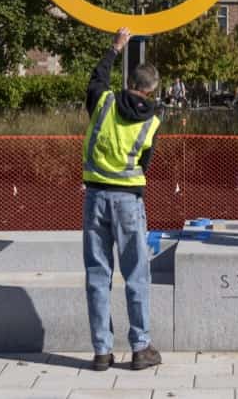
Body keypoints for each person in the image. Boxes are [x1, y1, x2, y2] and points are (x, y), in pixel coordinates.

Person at [82, 27, 162, 372]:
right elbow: (145, 163)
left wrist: (116, 47)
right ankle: (140, 348)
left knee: (98, 274)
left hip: (95, 196)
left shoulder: (104, 101)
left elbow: (96, 78)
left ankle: (102, 350)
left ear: (129, 81)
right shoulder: (154, 120)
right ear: (151, 89)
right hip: (128, 201)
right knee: (136, 274)